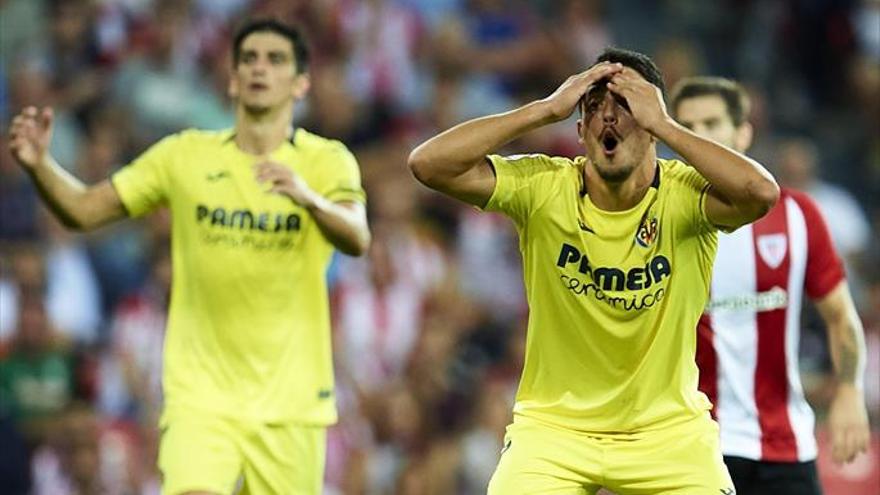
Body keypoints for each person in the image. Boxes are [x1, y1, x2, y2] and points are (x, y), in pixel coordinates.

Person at [8, 18, 371, 495]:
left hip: (291, 404)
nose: (260, 68)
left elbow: (357, 237)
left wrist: (310, 200)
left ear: (300, 82)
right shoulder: (185, 156)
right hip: (201, 398)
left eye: (276, 59)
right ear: (232, 79)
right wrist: (41, 168)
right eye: (249, 59)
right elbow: (84, 209)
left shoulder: (327, 161)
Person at [409, 47, 780, 494]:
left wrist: (664, 122)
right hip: (554, 432)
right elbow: (427, 164)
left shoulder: (686, 197)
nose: (609, 117)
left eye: (625, 105)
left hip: (667, 435)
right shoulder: (543, 187)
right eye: (595, 107)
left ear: (650, 123)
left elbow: (760, 192)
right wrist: (545, 111)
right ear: (581, 130)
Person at [670, 76, 870, 495]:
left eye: (712, 124)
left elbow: (840, 315)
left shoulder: (798, 216)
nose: (700, 137)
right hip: (690, 447)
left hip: (785, 447)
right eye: (687, 128)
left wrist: (849, 391)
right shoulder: (659, 220)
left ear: (743, 132)